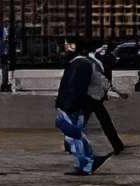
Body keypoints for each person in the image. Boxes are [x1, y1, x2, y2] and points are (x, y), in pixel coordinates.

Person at [52, 37, 101, 175]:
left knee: (76, 137)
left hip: (72, 107)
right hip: (70, 106)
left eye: (69, 45)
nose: (65, 48)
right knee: (74, 137)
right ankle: (83, 164)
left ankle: (86, 164)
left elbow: (75, 88)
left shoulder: (80, 64)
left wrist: (67, 105)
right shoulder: (77, 63)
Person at [86, 43, 129, 161]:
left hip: (90, 97)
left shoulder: (91, 61)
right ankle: (117, 144)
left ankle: (117, 144)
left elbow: (102, 80)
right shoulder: (94, 62)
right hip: (94, 96)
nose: (104, 50)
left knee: (81, 122)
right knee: (104, 121)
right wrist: (118, 92)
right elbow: (102, 80)